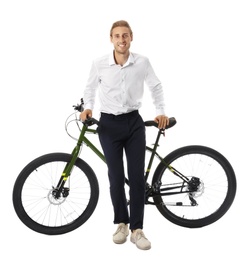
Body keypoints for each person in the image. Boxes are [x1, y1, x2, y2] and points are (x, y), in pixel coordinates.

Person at [80, 20, 169, 250]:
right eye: (117, 36)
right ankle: (121, 223)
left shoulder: (142, 62)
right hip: (108, 124)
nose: (122, 40)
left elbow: (156, 86)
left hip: (133, 123)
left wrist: (160, 112)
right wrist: (87, 107)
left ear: (131, 38)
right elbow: (89, 89)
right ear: (111, 38)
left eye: (125, 36)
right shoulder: (99, 63)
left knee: (136, 178)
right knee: (116, 177)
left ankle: (137, 230)